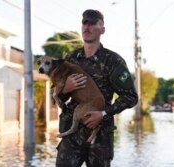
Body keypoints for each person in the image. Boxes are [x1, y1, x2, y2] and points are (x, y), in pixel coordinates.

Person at [55, 9, 138, 167]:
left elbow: (131, 97)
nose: (87, 27)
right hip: (71, 136)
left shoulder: (113, 61)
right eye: (84, 23)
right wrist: (65, 89)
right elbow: (58, 98)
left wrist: (104, 113)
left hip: (100, 137)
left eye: (92, 23)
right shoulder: (70, 59)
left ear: (102, 30)